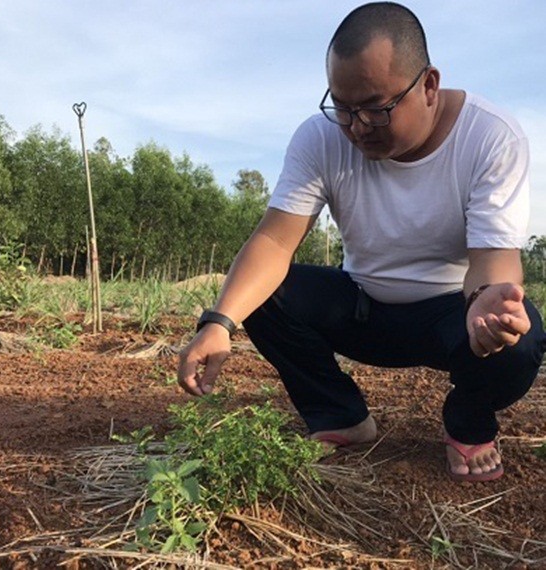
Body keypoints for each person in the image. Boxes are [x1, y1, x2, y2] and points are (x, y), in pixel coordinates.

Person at [178, 1, 546, 482]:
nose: (355, 127)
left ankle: (468, 423)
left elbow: (494, 260)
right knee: (262, 296)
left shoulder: (489, 136)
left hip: (452, 316)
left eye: (376, 109)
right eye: (342, 107)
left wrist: (484, 305)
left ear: (428, 85)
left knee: (519, 338)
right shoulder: (320, 138)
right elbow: (274, 240)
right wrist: (220, 321)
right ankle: (340, 416)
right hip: (364, 307)